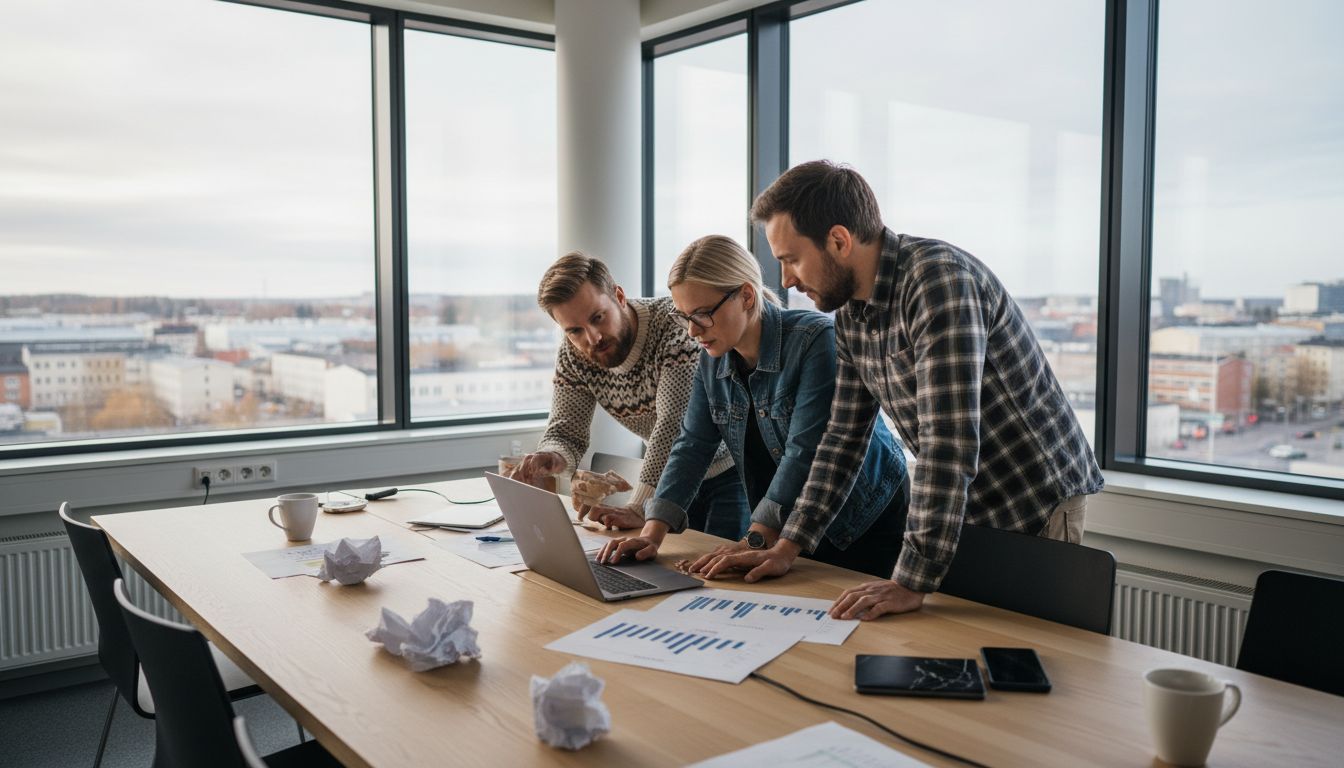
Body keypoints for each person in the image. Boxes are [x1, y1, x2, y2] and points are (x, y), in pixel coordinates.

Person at [696, 160, 1104, 620]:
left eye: (791, 259)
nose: (786, 280)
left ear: (838, 240)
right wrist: (789, 545)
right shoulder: (852, 314)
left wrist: (909, 580)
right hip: (963, 503)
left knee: (1027, 654)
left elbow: (947, 446)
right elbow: (842, 440)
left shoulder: (938, 284)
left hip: (1033, 502)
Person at [597, 235, 909, 578]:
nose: (691, 330)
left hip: (858, 518)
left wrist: (755, 539)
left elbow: (804, 450)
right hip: (785, 524)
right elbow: (692, 445)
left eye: (701, 315)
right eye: (684, 317)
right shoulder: (711, 359)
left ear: (746, 296)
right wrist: (651, 534)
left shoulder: (815, 340)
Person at [512, 252, 749, 539]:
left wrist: (640, 506)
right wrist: (552, 456)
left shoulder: (675, 327)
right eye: (574, 330)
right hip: (671, 478)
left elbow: (673, 425)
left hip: (731, 473)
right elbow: (566, 431)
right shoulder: (574, 353)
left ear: (619, 296)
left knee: (722, 575)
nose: (593, 338)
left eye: (598, 318)